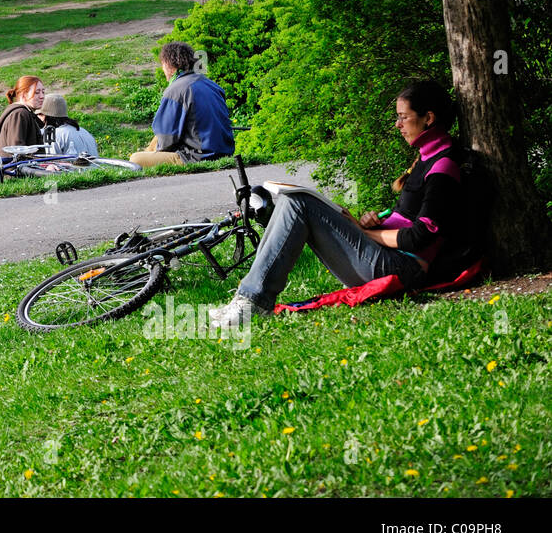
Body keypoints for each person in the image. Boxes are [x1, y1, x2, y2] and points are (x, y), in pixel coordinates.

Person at [209, 81, 465, 328]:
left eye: (403, 117)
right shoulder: (425, 159)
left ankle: (252, 302)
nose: (398, 124)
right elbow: (408, 217)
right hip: (388, 259)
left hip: (402, 269)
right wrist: (377, 221)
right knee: (291, 198)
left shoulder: (443, 167)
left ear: (428, 119)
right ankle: (248, 298)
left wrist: (367, 234)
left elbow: (422, 235)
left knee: (300, 203)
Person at [128, 42, 234, 168]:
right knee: (156, 139)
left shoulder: (176, 90)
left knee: (136, 159)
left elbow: (166, 140)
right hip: (225, 152)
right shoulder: (211, 85)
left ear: (169, 65)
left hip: (199, 158)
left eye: (162, 65)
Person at [0, 75, 45, 155]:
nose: (42, 96)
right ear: (23, 94)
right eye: (36, 92)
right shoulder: (19, 114)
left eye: (43, 92)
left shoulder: (26, 113)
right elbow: (17, 152)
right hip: (16, 167)